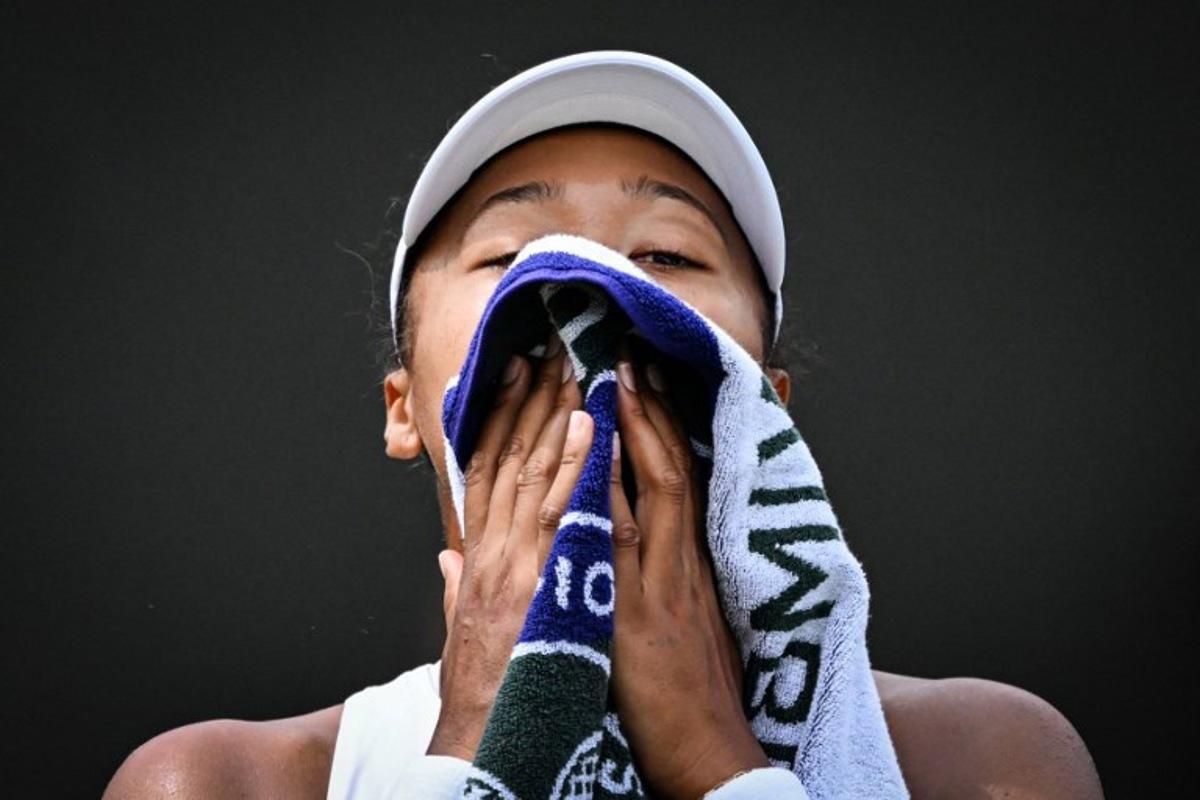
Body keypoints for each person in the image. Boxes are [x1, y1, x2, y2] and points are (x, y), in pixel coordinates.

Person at [103, 52, 1103, 799]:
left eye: (666, 256)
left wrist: (721, 757)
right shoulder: (223, 779)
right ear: (406, 407)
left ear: (767, 401)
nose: (590, 284)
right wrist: (481, 735)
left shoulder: (985, 761)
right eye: (511, 256)